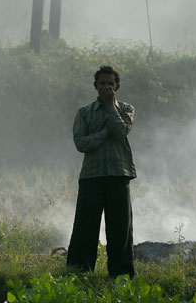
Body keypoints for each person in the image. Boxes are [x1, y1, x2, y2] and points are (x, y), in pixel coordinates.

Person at [66, 66, 136, 279]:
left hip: (119, 173)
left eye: (110, 84)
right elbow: (81, 143)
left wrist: (109, 108)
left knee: (120, 228)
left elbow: (123, 130)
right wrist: (106, 133)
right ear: (95, 86)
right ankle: (79, 272)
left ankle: (121, 275)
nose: (106, 87)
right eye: (102, 83)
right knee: (85, 227)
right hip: (91, 177)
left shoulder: (126, 109)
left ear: (117, 86)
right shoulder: (84, 112)